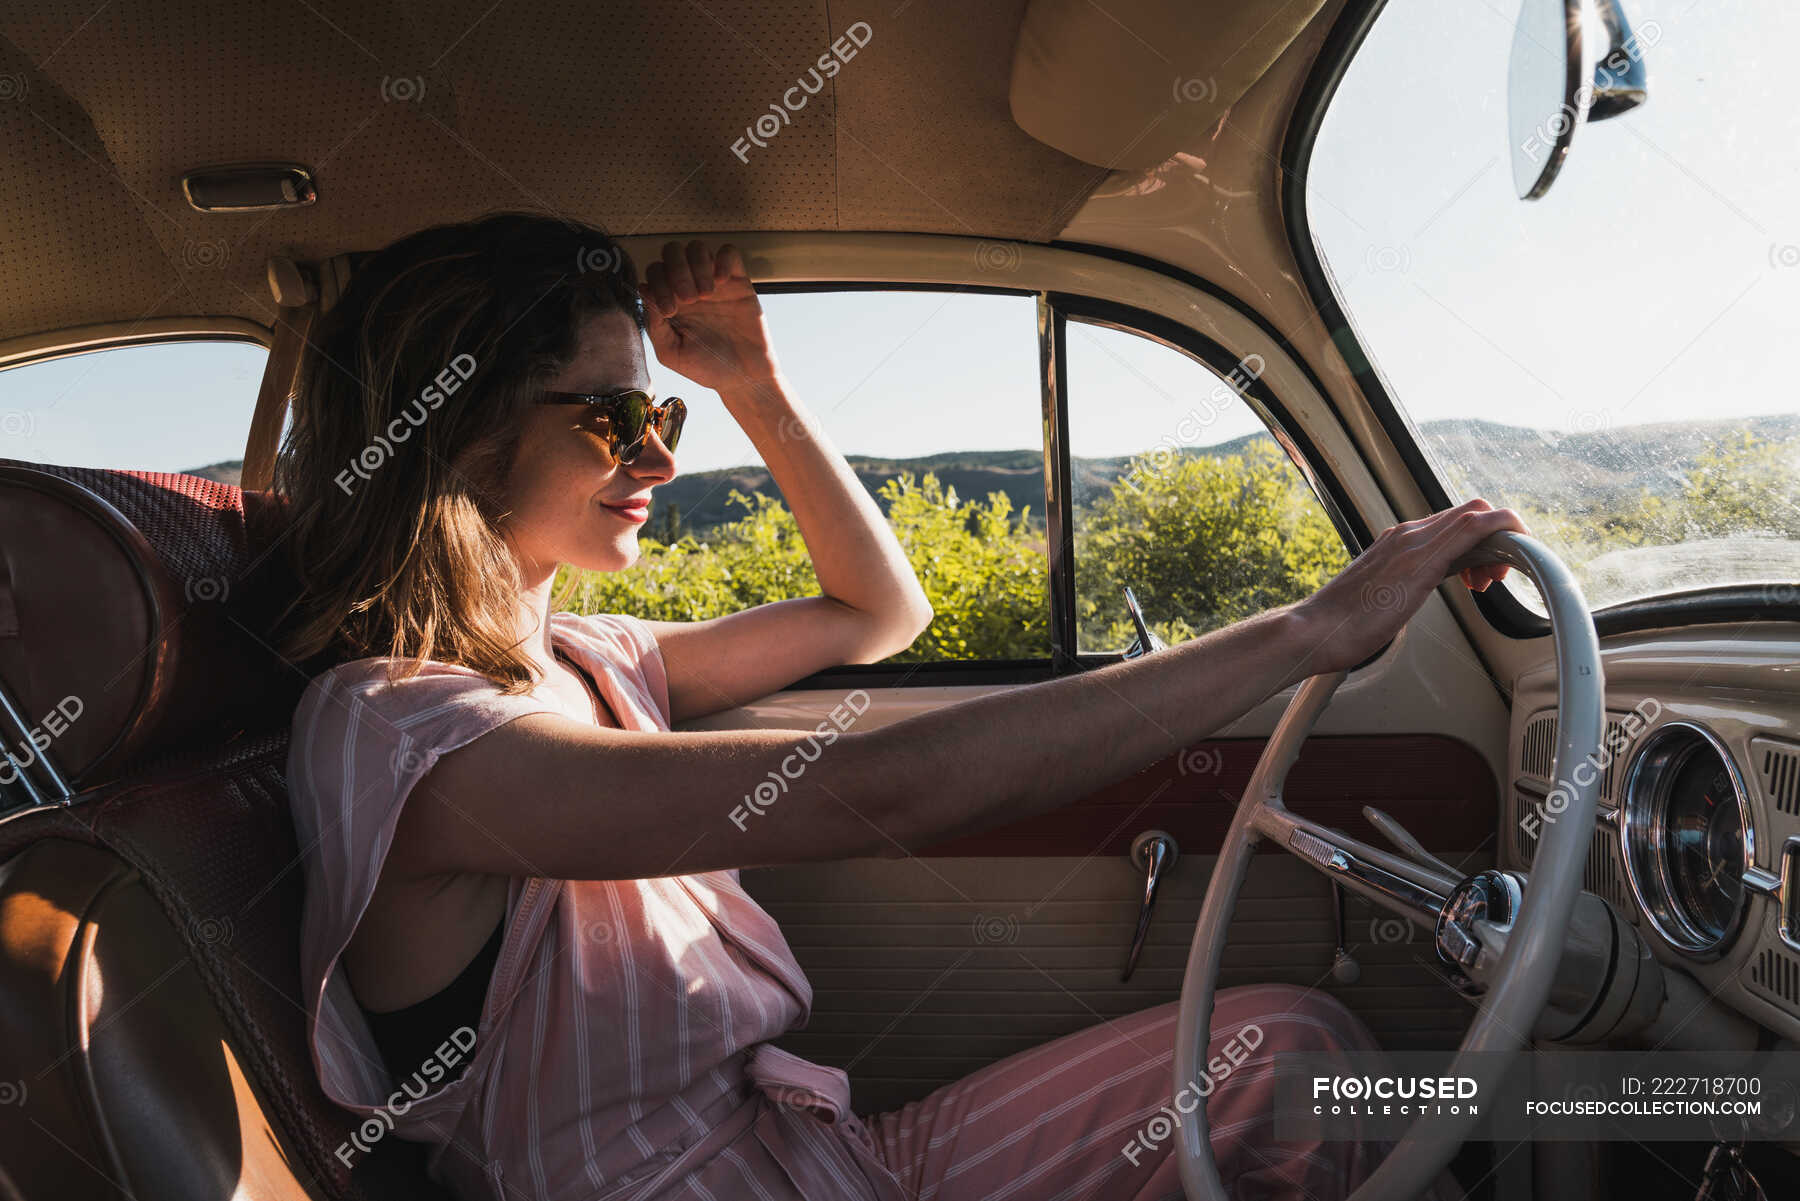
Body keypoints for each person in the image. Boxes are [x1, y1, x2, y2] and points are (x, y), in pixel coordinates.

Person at [276, 212, 1508, 1201]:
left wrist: (753, 384)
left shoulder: (590, 657)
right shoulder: (399, 730)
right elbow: (883, 788)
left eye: (661, 415)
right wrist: (1309, 631)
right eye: (613, 417)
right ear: (449, 430)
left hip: (820, 1155)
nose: (657, 457)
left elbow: (877, 612)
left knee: (1292, 1057)